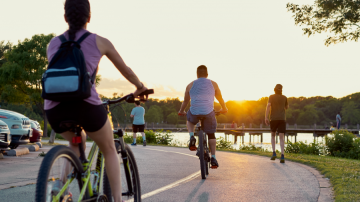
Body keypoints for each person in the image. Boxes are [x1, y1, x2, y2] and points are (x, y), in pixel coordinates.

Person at [44, 1, 147, 201]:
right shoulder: (100, 41)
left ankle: (59, 186)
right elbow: (125, 70)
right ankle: (117, 199)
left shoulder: (53, 43)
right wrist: (140, 87)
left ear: (65, 17)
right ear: (89, 17)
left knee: (76, 140)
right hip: (85, 105)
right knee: (108, 148)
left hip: (55, 109)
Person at [178, 65, 227, 168]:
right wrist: (224, 108)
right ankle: (213, 158)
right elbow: (220, 98)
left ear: (197, 74)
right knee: (211, 134)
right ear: (207, 74)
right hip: (209, 112)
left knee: (189, 119)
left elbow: (186, 101)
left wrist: (181, 111)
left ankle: (191, 136)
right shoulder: (213, 84)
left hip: (194, 112)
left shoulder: (190, 85)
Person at [265, 84, 288, 163]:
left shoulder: (271, 97)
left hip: (273, 119)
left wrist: (266, 117)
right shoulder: (284, 97)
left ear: (274, 89)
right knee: (282, 137)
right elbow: (286, 107)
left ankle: (274, 153)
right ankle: (282, 155)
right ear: (281, 90)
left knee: (273, 135)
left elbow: (268, 106)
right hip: (282, 119)